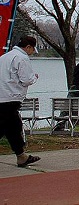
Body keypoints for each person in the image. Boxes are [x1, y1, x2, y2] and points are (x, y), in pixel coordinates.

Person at [0, 35, 41, 168]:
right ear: (28, 47)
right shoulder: (22, 58)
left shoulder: (4, 57)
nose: (32, 52)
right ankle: (21, 155)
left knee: (12, 127)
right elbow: (26, 79)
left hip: (2, 96)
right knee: (10, 127)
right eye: (32, 49)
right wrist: (34, 77)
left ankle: (21, 155)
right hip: (11, 97)